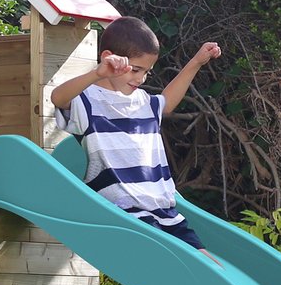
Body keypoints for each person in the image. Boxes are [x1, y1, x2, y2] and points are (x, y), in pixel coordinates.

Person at [51, 15, 221, 256]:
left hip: (164, 210)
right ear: (108, 58)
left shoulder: (142, 102)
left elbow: (167, 102)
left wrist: (196, 62)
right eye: (136, 70)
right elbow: (58, 98)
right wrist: (97, 74)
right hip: (125, 213)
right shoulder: (88, 103)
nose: (140, 79)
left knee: (208, 265)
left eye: (146, 72)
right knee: (171, 259)